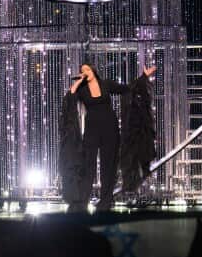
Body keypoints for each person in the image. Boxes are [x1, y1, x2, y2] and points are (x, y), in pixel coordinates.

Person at [63, 62, 154, 212]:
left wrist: (144, 76)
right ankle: (81, 203)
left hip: (110, 129)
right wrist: (79, 81)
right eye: (82, 70)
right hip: (91, 131)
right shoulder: (82, 90)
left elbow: (127, 88)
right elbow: (70, 97)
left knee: (109, 167)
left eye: (87, 69)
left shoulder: (106, 84)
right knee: (87, 166)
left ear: (93, 71)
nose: (85, 72)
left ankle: (104, 204)